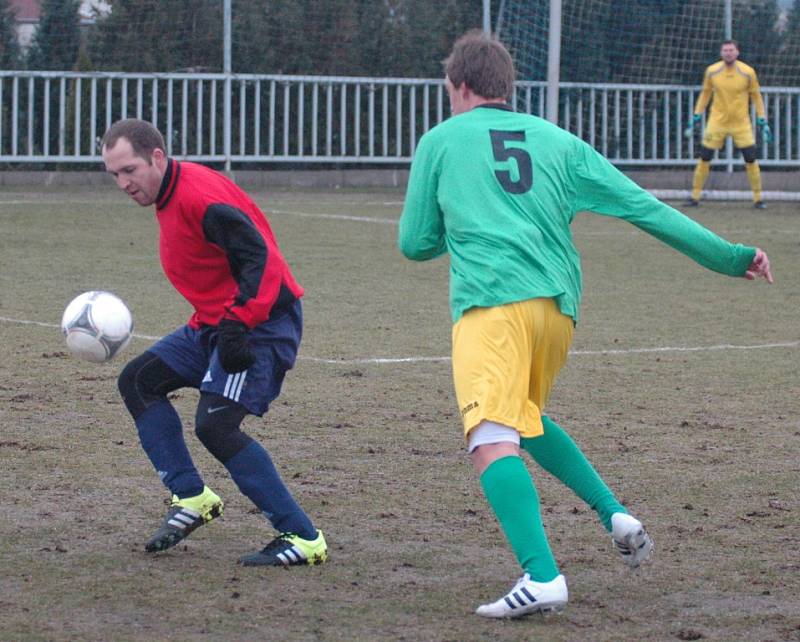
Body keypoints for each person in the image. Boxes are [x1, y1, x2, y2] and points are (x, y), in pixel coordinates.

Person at [398, 31, 773, 620]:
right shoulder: (559, 142)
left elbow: (414, 244)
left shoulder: (441, 141)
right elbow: (643, 207)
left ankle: (541, 576)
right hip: (557, 311)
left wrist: (469, 217)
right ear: (508, 87)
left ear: (461, 86)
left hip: (492, 306)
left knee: (490, 439)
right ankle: (614, 513)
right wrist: (729, 256)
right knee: (525, 417)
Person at [101, 118, 328, 567]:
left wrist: (241, 322)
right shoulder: (168, 193)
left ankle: (303, 538)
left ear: (157, 158)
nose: (123, 183)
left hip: (260, 324)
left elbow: (261, 258)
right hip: (214, 323)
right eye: (115, 175)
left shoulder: (199, 198)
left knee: (216, 425)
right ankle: (191, 497)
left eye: (129, 170)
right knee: (139, 381)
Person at [685, 39, 772, 209]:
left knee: (751, 158)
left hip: (741, 123)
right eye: (725, 50)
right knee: (704, 157)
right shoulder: (712, 71)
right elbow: (705, 94)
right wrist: (696, 115)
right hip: (717, 122)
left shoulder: (747, 72)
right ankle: (694, 196)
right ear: (721, 53)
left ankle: (758, 198)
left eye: (731, 50)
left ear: (737, 52)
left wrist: (763, 119)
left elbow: (756, 96)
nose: (728, 53)